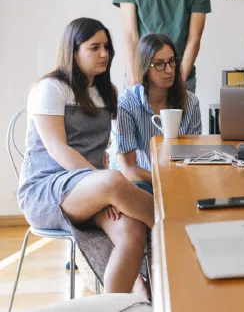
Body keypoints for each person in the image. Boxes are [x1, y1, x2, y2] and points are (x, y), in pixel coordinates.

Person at [17, 18, 154, 295]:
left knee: (132, 232)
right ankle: (179, 228)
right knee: (115, 181)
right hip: (47, 190)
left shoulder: (106, 93)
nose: (104, 54)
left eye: (107, 47)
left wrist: (102, 189)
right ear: (73, 50)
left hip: (91, 189)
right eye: (94, 47)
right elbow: (58, 149)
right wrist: (103, 185)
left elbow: (100, 151)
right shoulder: (51, 88)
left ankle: (115, 303)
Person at [109, 34, 201, 191]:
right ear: (145, 68)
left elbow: (193, 158)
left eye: (172, 61)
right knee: (142, 188)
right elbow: (129, 169)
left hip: (177, 179)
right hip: (136, 182)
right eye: (159, 64)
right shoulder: (127, 104)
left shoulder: (191, 102)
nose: (169, 70)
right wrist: (165, 181)